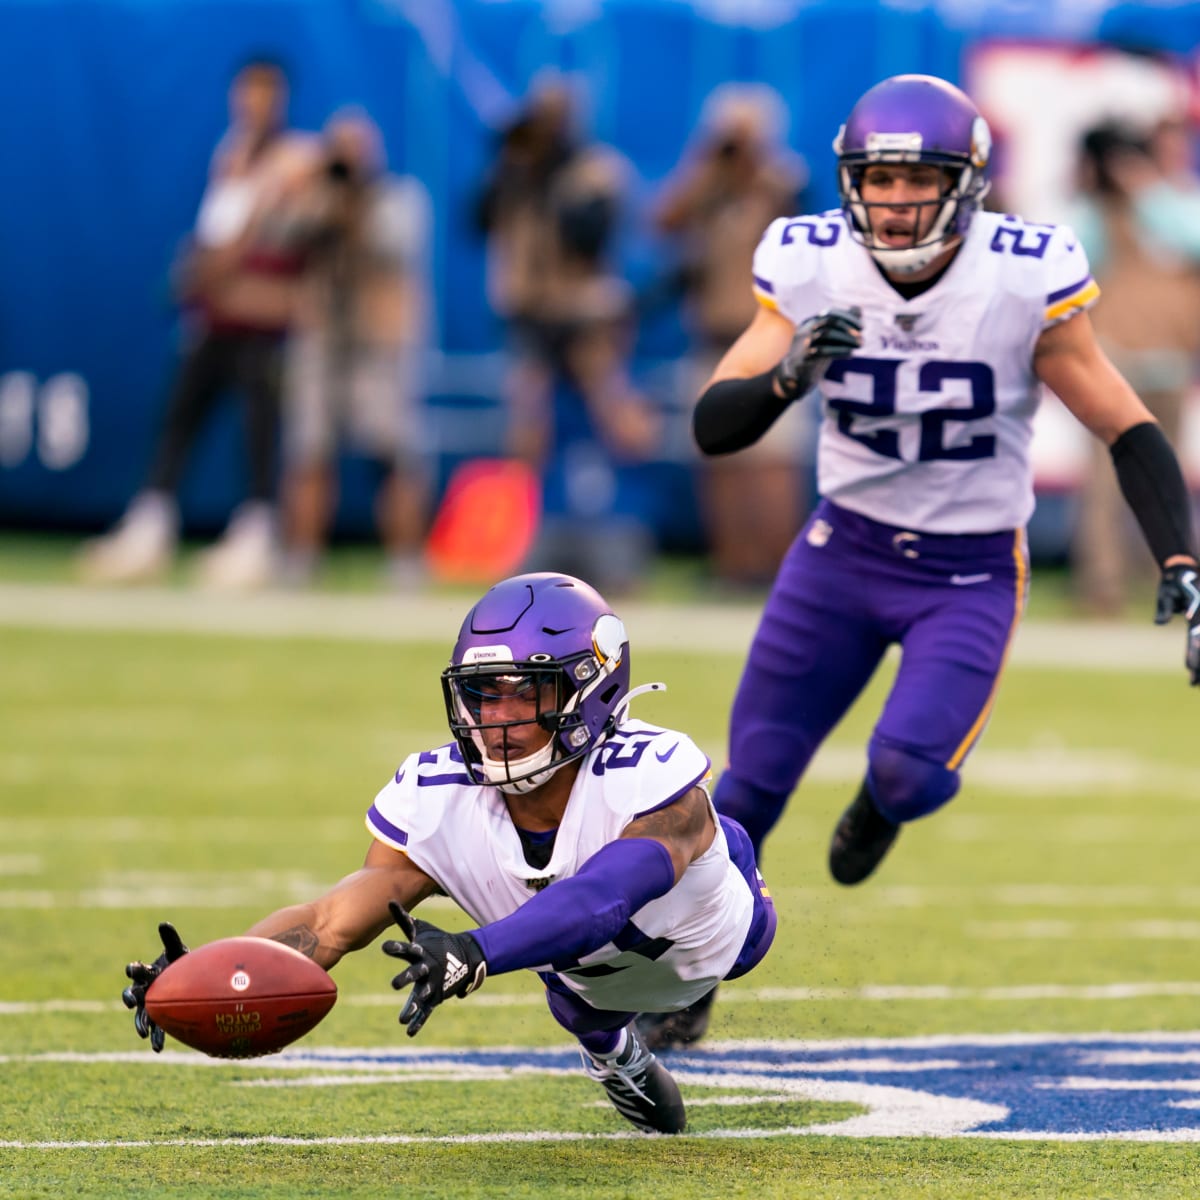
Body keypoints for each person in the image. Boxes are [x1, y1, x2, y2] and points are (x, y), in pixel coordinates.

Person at [636, 73, 1200, 1052]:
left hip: (969, 571)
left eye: (917, 179)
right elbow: (716, 422)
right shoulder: (811, 263)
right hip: (839, 554)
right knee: (749, 785)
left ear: (969, 185)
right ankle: (696, 971)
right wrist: (789, 373)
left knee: (907, 776)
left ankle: (880, 805)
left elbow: (1126, 423)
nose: (894, 201)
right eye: (877, 179)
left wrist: (1184, 559)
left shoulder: (1022, 275)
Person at [121, 572, 777, 1135]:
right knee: (576, 988)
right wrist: (210, 972)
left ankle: (605, 1022)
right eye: (484, 692)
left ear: (592, 689)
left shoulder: (650, 773)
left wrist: (475, 951)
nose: (498, 718)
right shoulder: (439, 796)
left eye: (527, 692)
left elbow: (602, 897)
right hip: (580, 974)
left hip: (720, 937)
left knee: (607, 918)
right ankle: (610, 1047)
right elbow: (328, 924)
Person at [79, 56, 315, 590]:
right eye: (246, 91)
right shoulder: (229, 153)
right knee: (178, 422)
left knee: (258, 436)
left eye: (265, 92)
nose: (254, 102)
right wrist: (205, 273)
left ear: (280, 97)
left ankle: (257, 538)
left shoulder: (296, 158)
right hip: (216, 320)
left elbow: (271, 242)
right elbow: (215, 240)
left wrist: (226, 265)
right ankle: (150, 526)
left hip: (263, 328)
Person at [476, 74, 661, 594]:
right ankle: (531, 532)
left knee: (611, 415)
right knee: (531, 424)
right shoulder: (518, 174)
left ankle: (619, 533)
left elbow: (587, 234)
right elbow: (478, 217)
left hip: (585, 309)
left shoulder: (593, 170)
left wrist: (553, 177)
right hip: (531, 315)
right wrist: (512, 168)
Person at [654, 85, 810, 588]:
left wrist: (753, 166)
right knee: (719, 455)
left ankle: (777, 566)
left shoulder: (778, 183)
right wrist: (706, 167)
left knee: (772, 461)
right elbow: (663, 221)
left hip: (768, 335)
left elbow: (797, 219)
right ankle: (732, 564)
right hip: (712, 337)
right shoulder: (708, 189)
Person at [278, 108, 434, 589]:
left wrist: (355, 208)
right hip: (323, 337)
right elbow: (283, 240)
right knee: (308, 450)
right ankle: (301, 558)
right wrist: (311, 193)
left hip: (379, 343)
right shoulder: (314, 199)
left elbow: (391, 249)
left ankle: (407, 563)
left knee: (396, 454)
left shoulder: (399, 200)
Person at [1068, 116, 1200, 615]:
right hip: (1113, 363)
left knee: (1168, 479)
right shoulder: (1099, 212)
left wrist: (1145, 191)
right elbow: (1072, 258)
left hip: (1171, 362)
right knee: (1103, 485)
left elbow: (1191, 241)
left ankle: (1167, 573)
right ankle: (1102, 586)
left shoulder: (1182, 206)